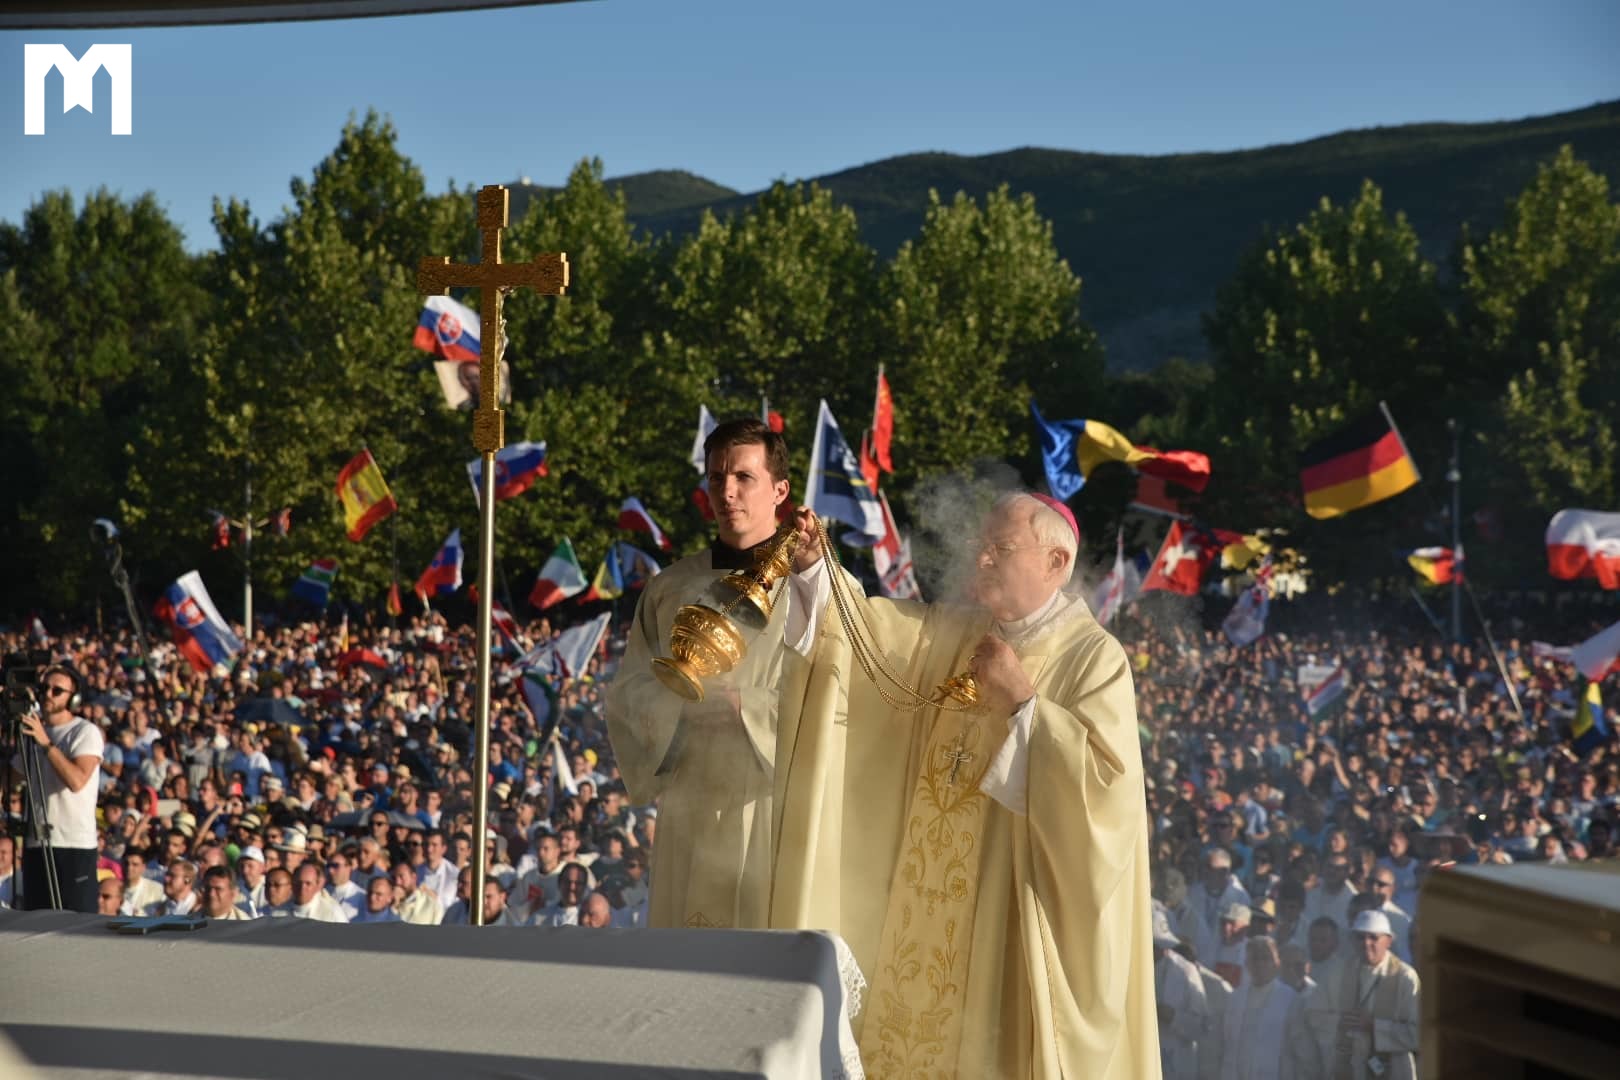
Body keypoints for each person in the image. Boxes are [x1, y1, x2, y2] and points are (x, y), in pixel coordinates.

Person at [771, 493, 1159, 1077]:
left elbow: (1108, 802)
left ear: (1056, 563)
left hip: (1003, 927)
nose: (979, 561)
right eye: (980, 547)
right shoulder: (953, 635)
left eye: (999, 550)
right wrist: (812, 567)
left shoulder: (1093, 659)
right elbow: (866, 638)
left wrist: (1024, 705)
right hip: (914, 922)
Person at [605, 417, 796, 929]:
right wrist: (680, 710)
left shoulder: (817, 589)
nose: (726, 493)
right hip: (689, 809)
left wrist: (747, 709)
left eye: (743, 478)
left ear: (780, 489)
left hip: (771, 809)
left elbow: (845, 700)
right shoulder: (670, 587)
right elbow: (627, 695)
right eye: (716, 478)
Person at [16, 665, 103, 912]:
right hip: (36, 843)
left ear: (73, 698)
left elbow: (76, 781)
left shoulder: (85, 731)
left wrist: (45, 743)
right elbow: (9, 778)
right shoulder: (30, 732)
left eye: (57, 691)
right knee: (34, 924)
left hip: (73, 845)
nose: (48, 695)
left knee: (76, 926)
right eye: (44, 689)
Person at [1304, 910, 1420, 1079]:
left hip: (1391, 1070)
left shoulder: (1404, 977)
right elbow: (1313, 1014)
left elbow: (1418, 1035)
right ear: (1352, 940)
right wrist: (1339, 1023)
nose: (1366, 943)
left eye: (1373, 937)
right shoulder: (1339, 972)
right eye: (1360, 937)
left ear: (1388, 941)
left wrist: (1375, 1026)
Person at [1218, 936, 1314, 1080]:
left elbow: (1305, 1054)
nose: (1260, 964)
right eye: (1254, 959)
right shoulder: (1234, 998)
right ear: (1247, 963)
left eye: (1265, 958)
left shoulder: (1291, 1000)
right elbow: (1223, 1044)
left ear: (1276, 963)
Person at [1153, 910, 1207, 1080]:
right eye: (1155, 946)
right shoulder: (1128, 969)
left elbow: (1202, 1027)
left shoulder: (1186, 971)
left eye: (1163, 946)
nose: (1161, 951)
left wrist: (1173, 1017)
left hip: (1178, 1068)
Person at [390, 860, 442, 925]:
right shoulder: (389, 904)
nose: (397, 882)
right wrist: (394, 905)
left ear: (413, 877)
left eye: (401, 877)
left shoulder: (431, 905)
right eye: (394, 878)